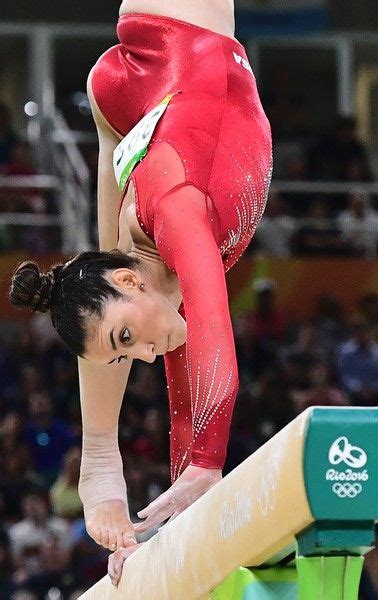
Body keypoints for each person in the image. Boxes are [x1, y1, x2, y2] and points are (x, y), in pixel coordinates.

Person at [9, 0, 272, 587]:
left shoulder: (177, 213)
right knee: (96, 293)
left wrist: (205, 464)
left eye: (129, 341)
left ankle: (101, 453)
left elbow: (214, 341)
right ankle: (100, 458)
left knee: (111, 295)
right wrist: (170, 519)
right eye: (131, 354)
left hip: (179, 28)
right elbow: (182, 386)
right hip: (133, 108)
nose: (147, 355)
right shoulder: (148, 277)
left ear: (132, 284)